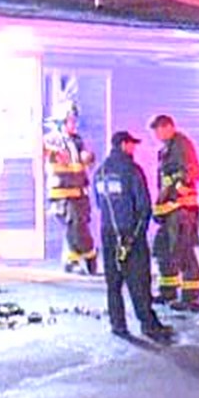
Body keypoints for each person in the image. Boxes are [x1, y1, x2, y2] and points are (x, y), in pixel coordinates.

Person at [93, 131, 175, 343]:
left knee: (113, 282)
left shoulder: (99, 172)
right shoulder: (131, 170)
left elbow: (98, 204)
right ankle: (149, 325)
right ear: (123, 145)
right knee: (139, 282)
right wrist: (139, 232)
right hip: (131, 232)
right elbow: (143, 205)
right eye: (132, 145)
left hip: (108, 232)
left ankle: (118, 324)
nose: (134, 149)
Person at [147, 113, 199, 311]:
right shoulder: (167, 148)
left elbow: (190, 172)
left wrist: (178, 186)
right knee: (164, 249)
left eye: (158, 129)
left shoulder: (181, 145)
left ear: (169, 127)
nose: (156, 134)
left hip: (181, 209)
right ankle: (168, 290)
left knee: (183, 250)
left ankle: (192, 296)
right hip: (169, 208)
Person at [43, 105, 98, 274]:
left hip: (79, 191)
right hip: (62, 193)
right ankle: (87, 256)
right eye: (70, 121)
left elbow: (86, 158)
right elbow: (43, 151)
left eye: (74, 120)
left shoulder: (77, 140)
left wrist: (88, 157)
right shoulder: (52, 139)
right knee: (74, 225)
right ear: (61, 122)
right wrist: (54, 154)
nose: (73, 124)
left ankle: (76, 258)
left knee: (78, 226)